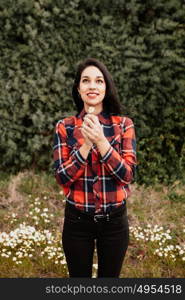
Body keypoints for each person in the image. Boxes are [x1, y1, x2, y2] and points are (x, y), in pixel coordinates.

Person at [53, 58, 137, 278]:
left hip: (115, 223)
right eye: (86, 81)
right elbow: (62, 177)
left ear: (105, 88)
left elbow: (127, 175)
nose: (92, 86)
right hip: (77, 222)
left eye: (99, 81)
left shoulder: (124, 125)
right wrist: (87, 144)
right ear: (78, 89)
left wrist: (101, 141)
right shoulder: (65, 127)